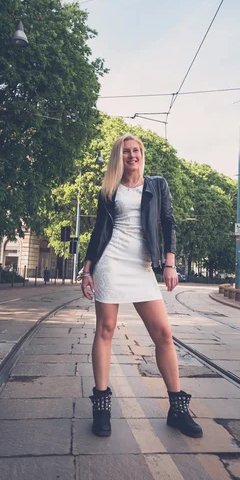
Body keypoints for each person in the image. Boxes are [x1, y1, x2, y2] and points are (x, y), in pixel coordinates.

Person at [81, 133, 203, 439]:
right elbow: (99, 229)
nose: (132, 155)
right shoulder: (109, 188)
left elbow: (168, 222)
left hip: (142, 266)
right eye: (126, 151)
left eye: (136, 150)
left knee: (163, 333)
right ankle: (102, 406)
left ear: (141, 154)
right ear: (118, 157)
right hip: (111, 262)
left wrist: (170, 263)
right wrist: (87, 268)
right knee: (105, 331)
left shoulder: (157, 184)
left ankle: (177, 409)